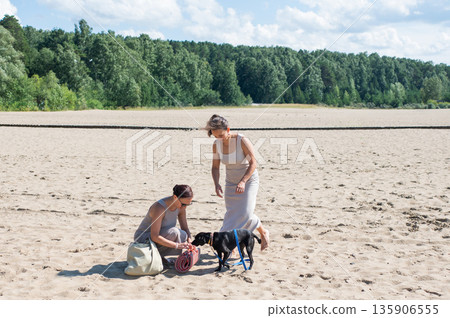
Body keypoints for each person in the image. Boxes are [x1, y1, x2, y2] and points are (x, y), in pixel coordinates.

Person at [206, 114, 270, 251]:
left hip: (248, 179)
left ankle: (261, 232)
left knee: (245, 213)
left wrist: (243, 181)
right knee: (233, 214)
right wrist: (216, 184)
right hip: (230, 182)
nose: (219, 138)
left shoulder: (242, 140)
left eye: (221, 135)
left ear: (228, 129)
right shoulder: (216, 144)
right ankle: (233, 246)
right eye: (216, 136)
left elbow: (254, 163)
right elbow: (215, 167)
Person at [134, 184, 194, 264]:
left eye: (188, 204)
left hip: (159, 236)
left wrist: (190, 242)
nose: (185, 207)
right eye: (183, 204)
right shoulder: (159, 208)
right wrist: (176, 245)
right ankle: (156, 257)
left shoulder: (181, 207)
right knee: (174, 232)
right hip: (143, 239)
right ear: (175, 197)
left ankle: (159, 257)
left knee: (183, 234)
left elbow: (185, 229)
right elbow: (154, 236)